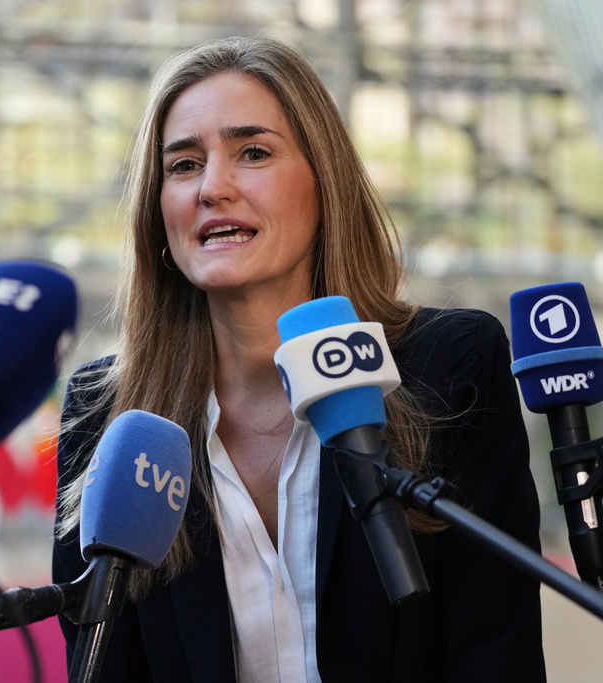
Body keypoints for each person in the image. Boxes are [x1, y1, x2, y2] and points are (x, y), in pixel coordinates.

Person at [52, 35, 546, 682]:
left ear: (325, 184)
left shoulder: (449, 367)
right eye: (182, 165)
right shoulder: (108, 417)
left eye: (252, 152)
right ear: (158, 212)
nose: (212, 187)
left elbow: (494, 655)